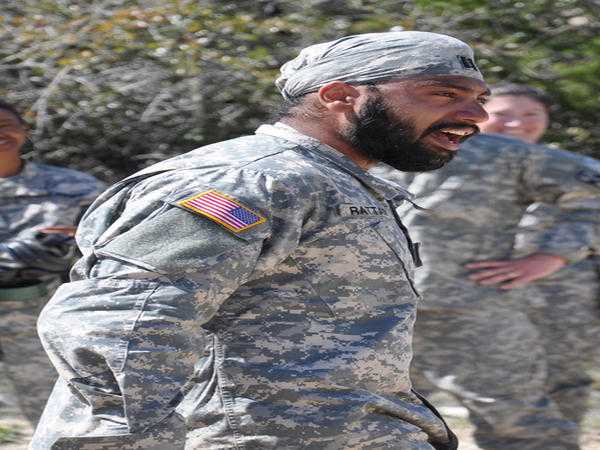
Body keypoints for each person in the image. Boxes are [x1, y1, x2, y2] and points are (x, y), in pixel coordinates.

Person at [30, 31, 490, 449]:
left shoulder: (334, 181)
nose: (476, 116)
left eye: (480, 99)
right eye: (445, 94)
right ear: (339, 96)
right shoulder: (248, 180)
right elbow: (122, 325)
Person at [372, 83, 600, 450]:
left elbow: (591, 194)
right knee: (377, 417)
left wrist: (553, 256)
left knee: (518, 417)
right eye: (504, 114)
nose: (517, 124)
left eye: (530, 115)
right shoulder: (382, 149)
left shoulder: (510, 156)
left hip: (477, 309)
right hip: (385, 310)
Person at [0, 100, 105, 428]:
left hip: (40, 316)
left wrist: (72, 249)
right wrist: (14, 254)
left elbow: (114, 244)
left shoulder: (75, 187)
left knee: (52, 414)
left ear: (24, 130)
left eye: (5, 125)